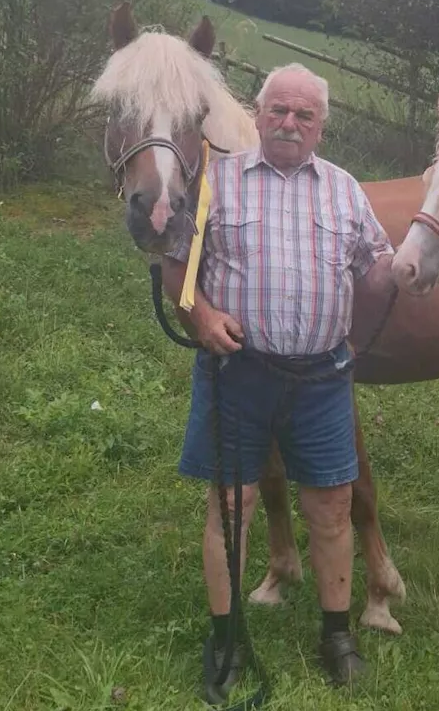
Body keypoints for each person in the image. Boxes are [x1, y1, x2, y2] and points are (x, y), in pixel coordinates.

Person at [159, 62, 397, 700]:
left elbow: (376, 269)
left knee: (333, 506)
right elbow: (175, 268)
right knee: (229, 505)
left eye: (305, 115)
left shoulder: (345, 190)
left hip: (322, 378)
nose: (290, 123)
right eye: (278, 111)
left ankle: (336, 634)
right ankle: (227, 637)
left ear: (321, 125)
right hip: (237, 372)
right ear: (258, 115)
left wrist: (390, 284)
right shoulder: (214, 184)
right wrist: (202, 315)